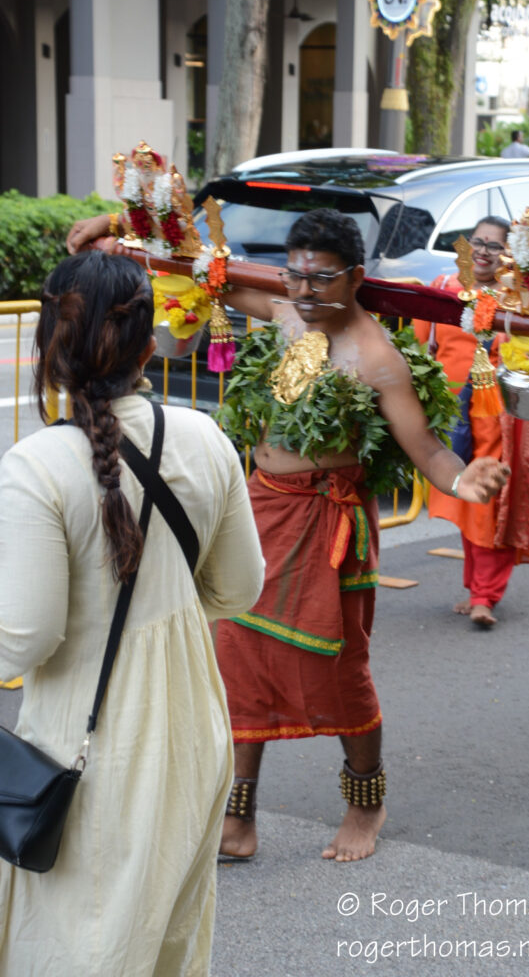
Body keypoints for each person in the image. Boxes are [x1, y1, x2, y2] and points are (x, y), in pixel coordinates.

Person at [66, 208, 509, 864]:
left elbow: (425, 448)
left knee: (339, 673)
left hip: (330, 525)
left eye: (321, 279)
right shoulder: (280, 314)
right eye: (295, 276)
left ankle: (365, 800)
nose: (304, 291)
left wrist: (461, 478)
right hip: (257, 510)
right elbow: (187, 270)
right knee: (237, 661)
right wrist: (114, 230)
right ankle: (238, 816)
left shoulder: (376, 357)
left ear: (355, 277)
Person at [0, 251, 264, 975]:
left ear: (46, 347)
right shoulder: (206, 439)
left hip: (87, 750)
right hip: (194, 734)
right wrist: (166, 606)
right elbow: (240, 589)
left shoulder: (35, 467)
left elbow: (20, 639)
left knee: (78, 945)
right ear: (151, 346)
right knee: (168, 943)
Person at [413, 216, 529, 628]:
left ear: (509, 255)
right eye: (479, 241)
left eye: (495, 245)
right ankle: (476, 586)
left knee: (491, 501)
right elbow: (421, 349)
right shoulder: (443, 289)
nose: (485, 251)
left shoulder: (520, 300)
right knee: (466, 499)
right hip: (453, 411)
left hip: (500, 417)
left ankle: (483, 596)